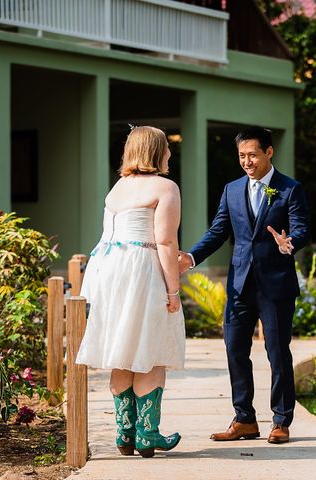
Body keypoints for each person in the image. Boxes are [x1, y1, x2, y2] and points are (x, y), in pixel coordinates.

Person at [178, 126, 309, 444]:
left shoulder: (289, 189)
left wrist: (289, 241)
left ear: (269, 152)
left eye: (252, 155)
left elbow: (301, 228)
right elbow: (218, 231)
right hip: (239, 284)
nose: (247, 161)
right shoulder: (231, 189)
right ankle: (245, 420)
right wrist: (191, 257)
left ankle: (281, 421)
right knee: (235, 349)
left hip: (275, 285)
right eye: (241, 156)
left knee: (277, 352)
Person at [76, 125, 185, 458]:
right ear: (156, 151)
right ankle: (147, 434)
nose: (170, 153)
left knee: (123, 346)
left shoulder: (119, 187)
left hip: (108, 268)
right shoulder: (165, 186)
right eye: (166, 147)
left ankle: (125, 434)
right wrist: (173, 291)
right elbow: (166, 242)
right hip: (141, 267)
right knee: (150, 346)